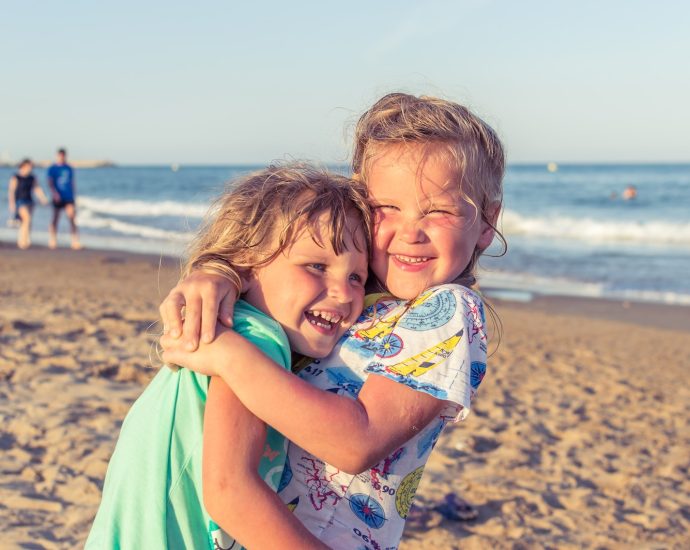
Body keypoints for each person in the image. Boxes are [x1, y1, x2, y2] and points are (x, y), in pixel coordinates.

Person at [160, 93, 505, 548]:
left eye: (439, 210)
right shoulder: (356, 296)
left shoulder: (449, 310)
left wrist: (227, 353)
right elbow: (279, 264)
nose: (410, 232)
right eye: (387, 208)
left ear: (486, 221)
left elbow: (355, 442)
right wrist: (220, 273)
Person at [86, 164, 371, 549]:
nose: (342, 291)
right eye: (316, 266)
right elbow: (230, 491)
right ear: (247, 265)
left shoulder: (242, 328)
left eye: (357, 277)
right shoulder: (255, 338)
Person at [7, 158, 49, 249]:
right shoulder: (16, 177)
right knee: (27, 219)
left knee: (26, 222)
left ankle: (24, 239)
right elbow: (11, 191)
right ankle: (23, 242)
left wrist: (43, 198)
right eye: (29, 166)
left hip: (29, 201)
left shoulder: (32, 177)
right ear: (24, 166)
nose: (30, 168)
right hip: (19, 201)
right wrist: (12, 204)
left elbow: (37, 188)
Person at [47, 147, 81, 249]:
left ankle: (75, 241)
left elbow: (72, 182)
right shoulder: (52, 168)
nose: (61, 157)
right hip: (57, 197)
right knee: (55, 218)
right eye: (60, 156)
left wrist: (74, 196)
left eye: (63, 156)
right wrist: (54, 193)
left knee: (72, 217)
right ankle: (52, 240)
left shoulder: (69, 168)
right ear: (57, 156)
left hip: (68, 196)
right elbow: (50, 182)